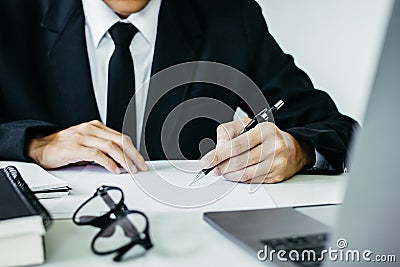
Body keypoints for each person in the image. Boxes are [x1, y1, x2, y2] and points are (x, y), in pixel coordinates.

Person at [0, 0, 357, 184]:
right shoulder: (11, 15)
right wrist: (34, 143)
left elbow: (336, 128)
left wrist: (297, 150)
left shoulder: (229, 15)